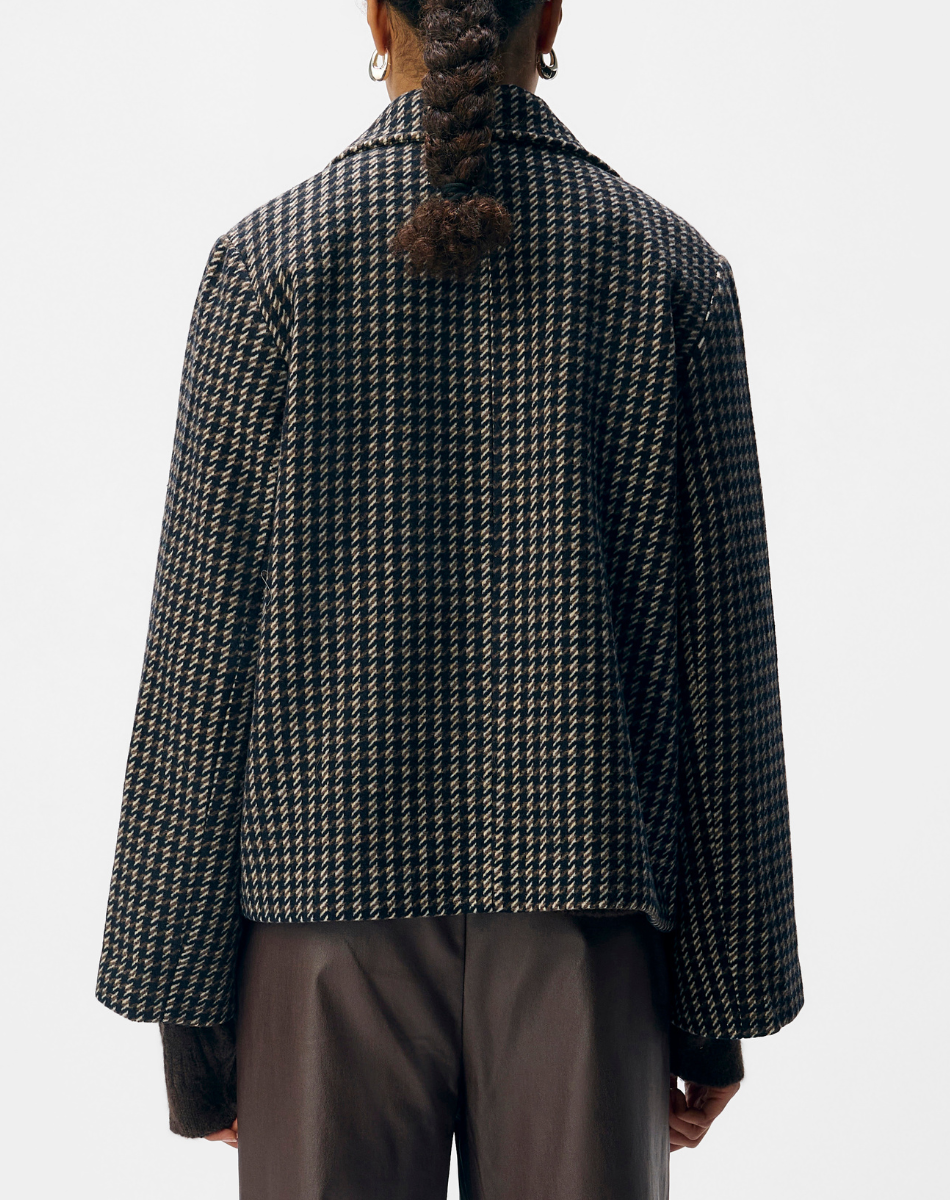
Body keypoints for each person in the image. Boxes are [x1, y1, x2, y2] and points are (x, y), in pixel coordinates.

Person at [96, 1, 804, 1196]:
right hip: (588, 923)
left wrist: (188, 1019)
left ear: (378, 18)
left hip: (318, 915)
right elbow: (722, 668)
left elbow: (200, 655)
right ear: (552, 16)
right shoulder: (667, 269)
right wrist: (719, 1002)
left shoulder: (266, 265)